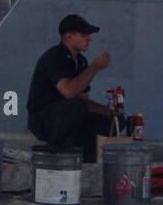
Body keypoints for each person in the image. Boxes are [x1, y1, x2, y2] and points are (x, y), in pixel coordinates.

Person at [26, 14, 118, 162]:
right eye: (84, 34)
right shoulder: (55, 56)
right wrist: (95, 67)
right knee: (75, 107)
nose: (89, 38)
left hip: (68, 115)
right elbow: (68, 92)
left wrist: (106, 110)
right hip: (43, 119)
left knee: (109, 120)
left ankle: (88, 162)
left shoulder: (81, 61)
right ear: (69, 36)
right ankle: (54, 157)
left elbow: (84, 101)